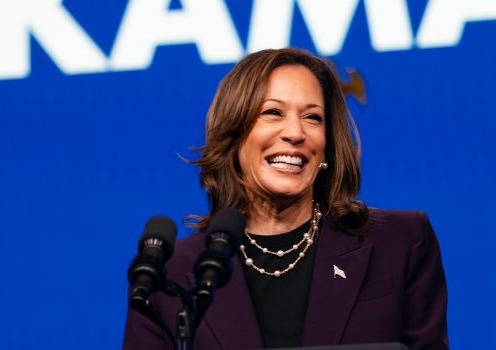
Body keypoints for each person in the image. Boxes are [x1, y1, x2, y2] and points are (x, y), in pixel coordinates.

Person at [123, 48, 448, 349]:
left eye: (313, 117)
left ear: (326, 146)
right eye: (273, 112)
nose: (295, 133)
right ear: (234, 137)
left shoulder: (401, 242)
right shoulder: (170, 273)